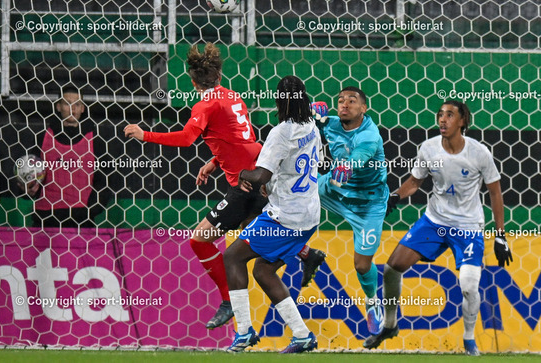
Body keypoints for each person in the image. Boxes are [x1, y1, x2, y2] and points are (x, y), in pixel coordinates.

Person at [124, 43, 324, 330]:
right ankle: (307, 255)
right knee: (252, 234)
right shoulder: (233, 96)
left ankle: (229, 301)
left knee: (199, 240)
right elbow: (241, 138)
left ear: (192, 81)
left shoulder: (205, 105)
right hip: (260, 171)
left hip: (245, 184)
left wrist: (145, 135)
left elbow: (186, 138)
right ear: (219, 76)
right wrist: (215, 162)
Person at [362, 100, 513, 356]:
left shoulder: (479, 153)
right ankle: (389, 325)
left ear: (463, 121)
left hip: (468, 227)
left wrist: (500, 235)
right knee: (391, 268)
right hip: (434, 221)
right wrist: (396, 196)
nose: (443, 119)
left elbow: (495, 193)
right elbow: (414, 182)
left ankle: (469, 340)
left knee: (469, 286)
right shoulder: (429, 148)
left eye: (450, 115)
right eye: (441, 114)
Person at [224, 75, 319, 353]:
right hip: (309, 215)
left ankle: (244, 332)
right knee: (263, 270)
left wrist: (242, 173)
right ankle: (302, 335)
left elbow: (260, 176)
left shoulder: (280, 132)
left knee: (232, 257)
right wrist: (273, 182)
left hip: (284, 217)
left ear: (278, 99)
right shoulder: (311, 126)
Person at [310, 86, 389, 336]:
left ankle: (373, 301)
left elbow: (361, 154)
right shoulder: (330, 123)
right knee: (295, 193)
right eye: (341, 100)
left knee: (362, 265)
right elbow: (306, 123)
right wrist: (308, 113)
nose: (344, 104)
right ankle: (303, 253)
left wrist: (349, 166)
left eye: (352, 101)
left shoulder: (369, 135)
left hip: (368, 204)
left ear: (363, 108)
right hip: (334, 188)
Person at [19, 85, 110, 228]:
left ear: (83, 108)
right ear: (58, 107)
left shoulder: (95, 141)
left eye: (77, 104)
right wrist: (27, 190)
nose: (72, 109)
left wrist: (90, 210)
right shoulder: (43, 138)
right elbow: (31, 175)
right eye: (67, 103)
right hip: (46, 218)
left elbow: (105, 180)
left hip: (81, 221)